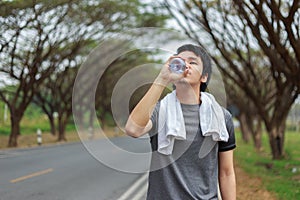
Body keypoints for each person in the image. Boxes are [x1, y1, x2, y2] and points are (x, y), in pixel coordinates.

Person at [125, 44, 236, 200]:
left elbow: (226, 173)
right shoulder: (159, 112)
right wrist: (162, 78)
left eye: (193, 62)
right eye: (180, 61)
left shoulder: (221, 118)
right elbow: (132, 129)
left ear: (204, 76)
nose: (186, 66)